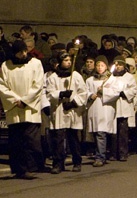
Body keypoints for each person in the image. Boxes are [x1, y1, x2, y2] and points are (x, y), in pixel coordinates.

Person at [0, 40, 46, 179]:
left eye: (25, 51)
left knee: (31, 140)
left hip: (30, 108)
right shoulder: (6, 66)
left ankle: (32, 167)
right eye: (20, 52)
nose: (24, 54)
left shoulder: (35, 64)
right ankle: (19, 169)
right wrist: (16, 100)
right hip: (14, 108)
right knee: (16, 141)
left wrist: (25, 100)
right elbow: (2, 85)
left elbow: (38, 84)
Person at [46, 52, 88, 173]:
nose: (69, 62)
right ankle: (58, 163)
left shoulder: (75, 76)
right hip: (59, 110)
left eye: (70, 60)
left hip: (72, 111)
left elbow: (83, 92)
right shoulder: (53, 77)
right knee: (58, 138)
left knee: (73, 138)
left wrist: (73, 103)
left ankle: (77, 161)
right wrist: (61, 94)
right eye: (65, 60)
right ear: (59, 62)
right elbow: (49, 93)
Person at [85, 55, 119, 167]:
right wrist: (90, 95)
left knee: (101, 133)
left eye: (102, 65)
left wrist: (104, 91)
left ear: (106, 67)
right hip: (94, 109)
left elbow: (116, 92)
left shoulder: (111, 79)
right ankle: (99, 153)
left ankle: (100, 156)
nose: (100, 67)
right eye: (98, 65)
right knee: (96, 133)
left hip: (105, 109)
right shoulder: (90, 80)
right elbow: (85, 92)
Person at [111, 56, 137, 161]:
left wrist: (124, 93)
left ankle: (123, 153)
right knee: (113, 132)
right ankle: (113, 153)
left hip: (124, 105)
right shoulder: (111, 76)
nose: (118, 67)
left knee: (123, 131)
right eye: (116, 65)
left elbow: (134, 89)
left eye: (120, 65)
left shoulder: (129, 77)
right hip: (113, 105)